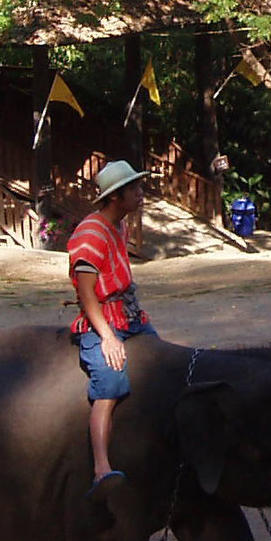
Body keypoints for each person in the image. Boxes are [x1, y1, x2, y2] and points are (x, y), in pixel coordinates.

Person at [68, 161, 156, 505]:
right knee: (110, 382)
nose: (140, 194)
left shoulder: (118, 227)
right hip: (101, 317)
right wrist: (106, 335)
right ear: (116, 196)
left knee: (161, 363)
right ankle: (102, 466)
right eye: (134, 189)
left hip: (130, 314)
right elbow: (87, 293)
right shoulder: (90, 234)